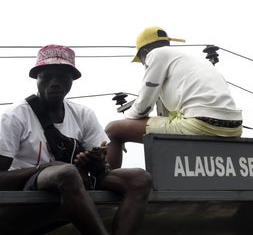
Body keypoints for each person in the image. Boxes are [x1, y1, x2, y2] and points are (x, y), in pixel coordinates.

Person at [0, 45, 152, 235]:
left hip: (73, 186)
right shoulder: (15, 116)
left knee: (140, 178)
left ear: (72, 80)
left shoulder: (83, 114)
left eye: (63, 76)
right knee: (66, 172)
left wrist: (95, 163)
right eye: (47, 75)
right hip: (27, 193)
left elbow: (101, 168)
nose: (55, 82)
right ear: (36, 78)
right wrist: (43, 169)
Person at [105, 27, 243, 169]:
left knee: (112, 129)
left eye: (141, 61)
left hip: (201, 124)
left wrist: (123, 130)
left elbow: (142, 107)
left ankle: (109, 184)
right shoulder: (192, 60)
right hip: (234, 127)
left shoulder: (155, 55)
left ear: (145, 53)